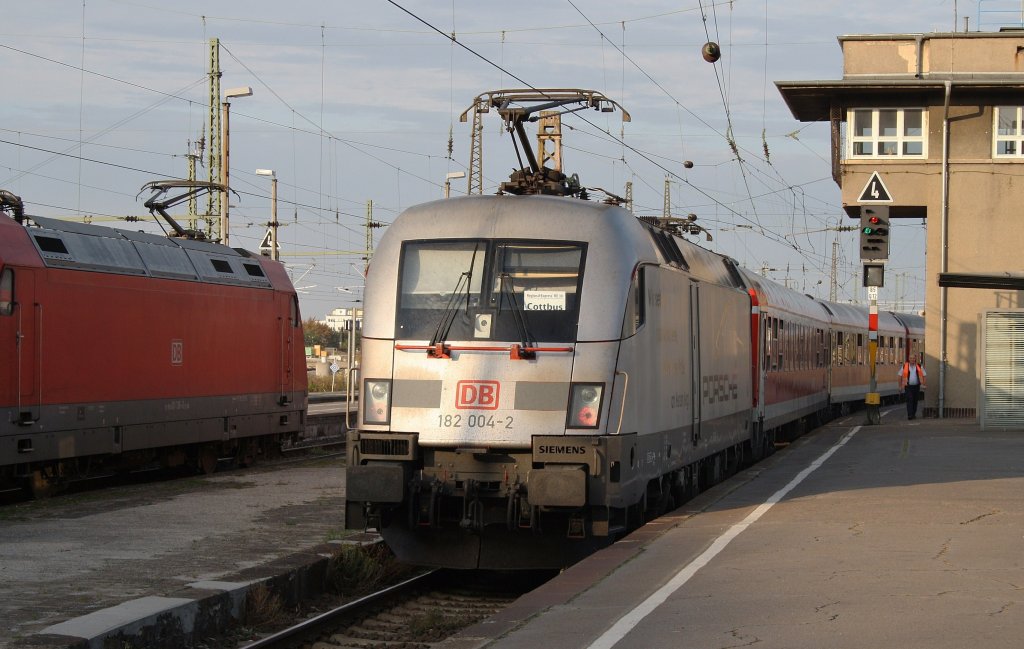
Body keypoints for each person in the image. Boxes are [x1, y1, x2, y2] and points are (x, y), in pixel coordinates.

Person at [898, 353, 926, 420]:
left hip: (916, 386)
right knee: (909, 400)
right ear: (909, 359)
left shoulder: (919, 366)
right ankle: (910, 415)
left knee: (915, 401)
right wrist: (900, 386)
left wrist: (923, 384)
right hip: (908, 386)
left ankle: (913, 414)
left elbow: (924, 375)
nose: (912, 360)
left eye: (913, 358)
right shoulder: (905, 366)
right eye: (911, 358)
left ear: (915, 359)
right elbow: (899, 376)